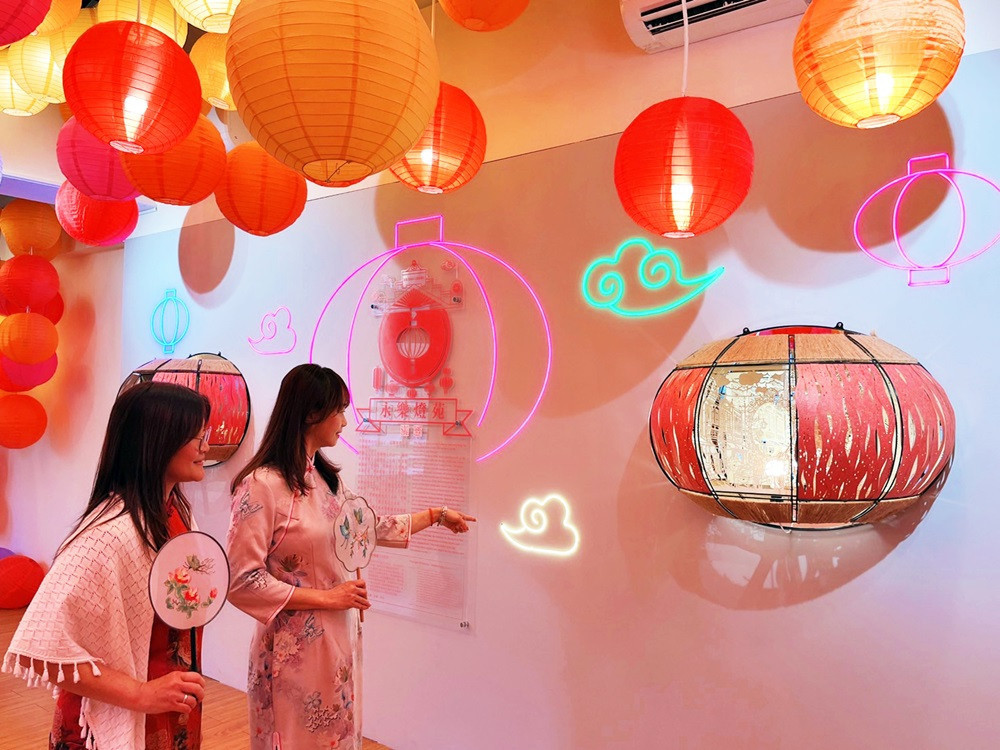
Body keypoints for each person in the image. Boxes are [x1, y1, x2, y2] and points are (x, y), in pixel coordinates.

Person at [226, 363, 475, 750]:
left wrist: (435, 516)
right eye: (339, 410)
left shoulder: (327, 481)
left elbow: (365, 528)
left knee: (337, 737)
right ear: (311, 413)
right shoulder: (262, 485)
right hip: (291, 652)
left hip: (337, 641)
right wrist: (328, 598)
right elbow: (242, 580)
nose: (345, 421)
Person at [3, 381, 213, 750]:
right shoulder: (108, 535)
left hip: (170, 705)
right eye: (197, 437)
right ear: (158, 441)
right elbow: (42, 649)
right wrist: (140, 694)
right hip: (114, 718)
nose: (206, 447)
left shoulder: (177, 514)